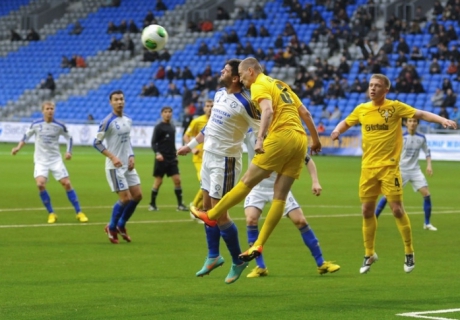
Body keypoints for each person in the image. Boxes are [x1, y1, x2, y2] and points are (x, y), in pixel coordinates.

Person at [190, 57, 321, 262]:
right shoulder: (280, 84)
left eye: (242, 76)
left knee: (246, 182)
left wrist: (260, 139)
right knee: (280, 196)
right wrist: (316, 140)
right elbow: (305, 112)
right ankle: (259, 244)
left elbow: (267, 110)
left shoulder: (259, 85)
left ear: (251, 71)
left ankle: (212, 214)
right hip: (300, 139)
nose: (242, 81)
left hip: (281, 136)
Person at [330, 74, 457, 274]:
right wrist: (337, 131)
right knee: (366, 211)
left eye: (377, 86)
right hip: (367, 168)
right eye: (371, 85)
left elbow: (421, 114)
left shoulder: (395, 107)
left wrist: (442, 120)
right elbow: (346, 122)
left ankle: (409, 252)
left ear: (385, 90)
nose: (372, 89)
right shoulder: (361, 109)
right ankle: (369, 253)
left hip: (389, 168)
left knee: (397, 209)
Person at [177, 59, 261, 284]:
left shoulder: (246, 102)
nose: (220, 72)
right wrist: (191, 146)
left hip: (226, 162)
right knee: (207, 208)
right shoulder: (219, 94)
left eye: (225, 70)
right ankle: (213, 255)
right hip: (208, 157)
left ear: (235, 77)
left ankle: (238, 259)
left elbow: (263, 125)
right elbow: (209, 126)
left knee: (219, 214)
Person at [243, 130, 340, 277]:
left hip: (280, 187)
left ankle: (321, 263)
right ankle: (260, 267)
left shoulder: (284, 135)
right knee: (251, 219)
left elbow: (307, 160)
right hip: (257, 187)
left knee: (300, 220)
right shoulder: (251, 134)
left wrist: (315, 181)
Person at [11, 101, 88, 224]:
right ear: (43, 110)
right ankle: (51, 213)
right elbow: (25, 137)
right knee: (40, 185)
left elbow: (69, 137)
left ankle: (79, 212)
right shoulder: (36, 124)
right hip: (41, 160)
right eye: (47, 108)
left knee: (67, 183)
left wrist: (69, 152)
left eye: (52, 108)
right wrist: (17, 148)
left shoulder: (59, 125)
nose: (50, 110)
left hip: (55, 160)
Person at [93, 90, 142, 244]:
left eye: (121, 99)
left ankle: (121, 224)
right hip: (114, 167)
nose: (119, 102)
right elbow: (96, 143)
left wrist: (131, 155)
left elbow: (127, 141)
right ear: (111, 102)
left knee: (138, 195)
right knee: (125, 198)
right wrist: (112, 157)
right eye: (116, 100)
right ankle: (112, 227)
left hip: (127, 164)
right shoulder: (107, 122)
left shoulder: (128, 120)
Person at [375, 118, 437, 230]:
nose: (412, 123)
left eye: (414, 121)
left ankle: (427, 224)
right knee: (388, 195)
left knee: (427, 194)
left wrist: (429, 165)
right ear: (405, 123)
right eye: (410, 121)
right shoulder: (400, 137)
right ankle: (374, 219)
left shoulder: (421, 138)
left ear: (417, 123)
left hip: (415, 171)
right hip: (400, 171)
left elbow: (427, 152)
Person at [149, 106, 188, 211]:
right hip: (161, 158)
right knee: (158, 181)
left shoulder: (172, 127)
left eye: (170, 112)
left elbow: (172, 143)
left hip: (171, 158)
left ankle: (180, 205)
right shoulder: (158, 127)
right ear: (162, 114)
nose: (168, 114)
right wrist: (157, 153)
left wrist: (176, 155)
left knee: (177, 180)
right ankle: (152, 204)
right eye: (165, 112)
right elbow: (153, 142)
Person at [183, 99, 213, 213]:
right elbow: (186, 136)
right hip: (199, 159)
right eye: (207, 106)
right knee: (206, 184)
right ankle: (195, 208)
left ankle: (198, 208)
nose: (210, 108)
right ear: (204, 108)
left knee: (210, 185)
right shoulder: (197, 121)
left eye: (212, 106)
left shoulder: (218, 121)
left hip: (212, 158)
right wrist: (193, 148)